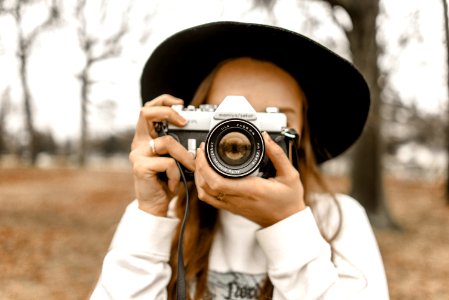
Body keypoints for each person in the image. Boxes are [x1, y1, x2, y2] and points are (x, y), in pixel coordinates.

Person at [90, 21, 389, 300]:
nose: (246, 137)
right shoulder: (161, 216)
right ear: (189, 125)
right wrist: (150, 215)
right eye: (224, 118)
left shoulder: (339, 218)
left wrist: (287, 225)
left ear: (302, 135)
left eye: (272, 118)